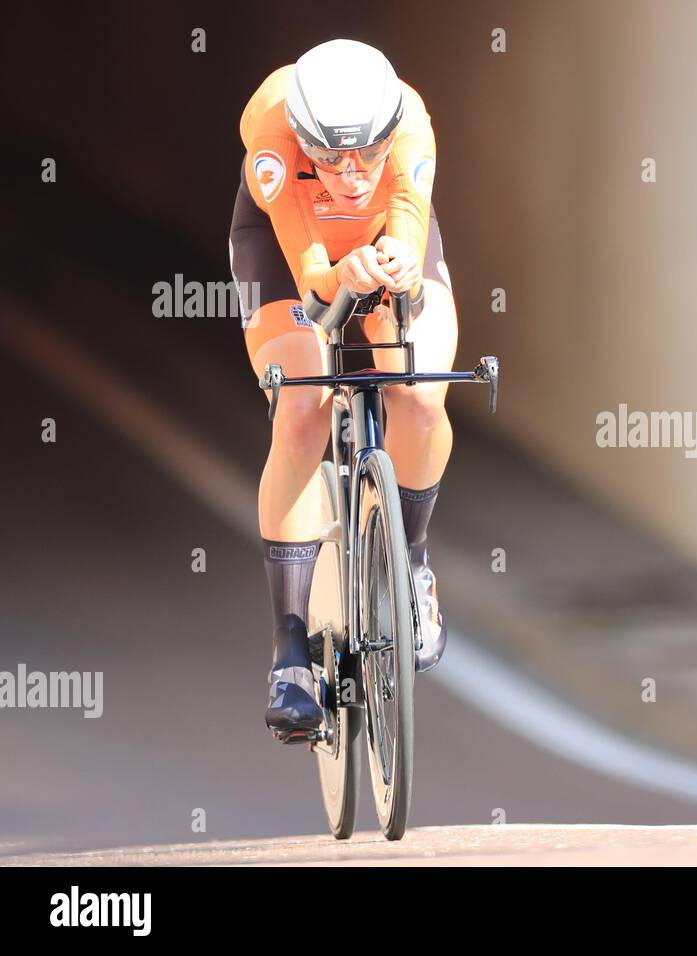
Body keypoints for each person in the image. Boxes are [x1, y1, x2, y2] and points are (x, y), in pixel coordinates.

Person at [229, 39, 457, 734]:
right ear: (303, 141)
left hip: (386, 243)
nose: (352, 175)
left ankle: (412, 561)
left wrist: (397, 267)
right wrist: (340, 276)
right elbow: (312, 275)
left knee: (417, 393)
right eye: (329, 157)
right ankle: (291, 650)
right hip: (288, 249)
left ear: (390, 133)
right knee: (301, 409)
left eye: (367, 155)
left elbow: (410, 236)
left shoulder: (412, 125)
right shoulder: (269, 137)